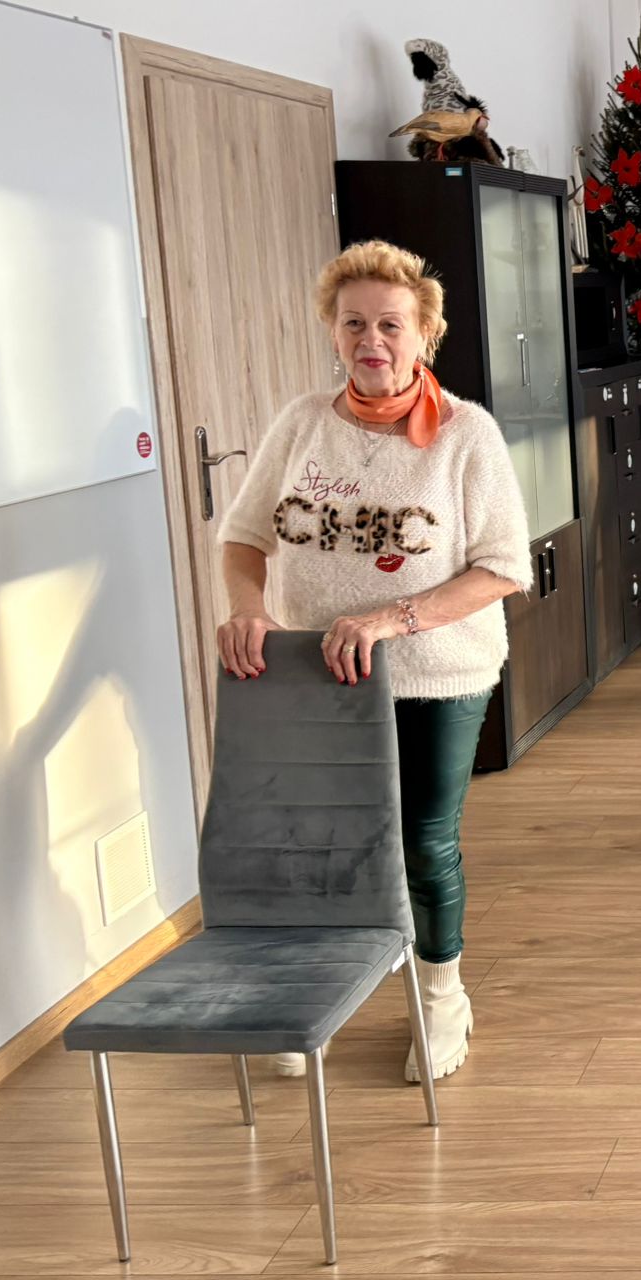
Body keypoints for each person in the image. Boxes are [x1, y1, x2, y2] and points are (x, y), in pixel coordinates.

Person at [216, 240, 530, 1084]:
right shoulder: (301, 424)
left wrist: (393, 619)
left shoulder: (466, 434)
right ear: (332, 331)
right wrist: (249, 609)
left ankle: (440, 998)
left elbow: (504, 568)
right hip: (318, 675)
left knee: (422, 841)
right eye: (353, 323)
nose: (372, 341)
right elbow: (243, 537)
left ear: (426, 332)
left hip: (438, 674)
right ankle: (315, 995)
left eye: (391, 324)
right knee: (320, 840)